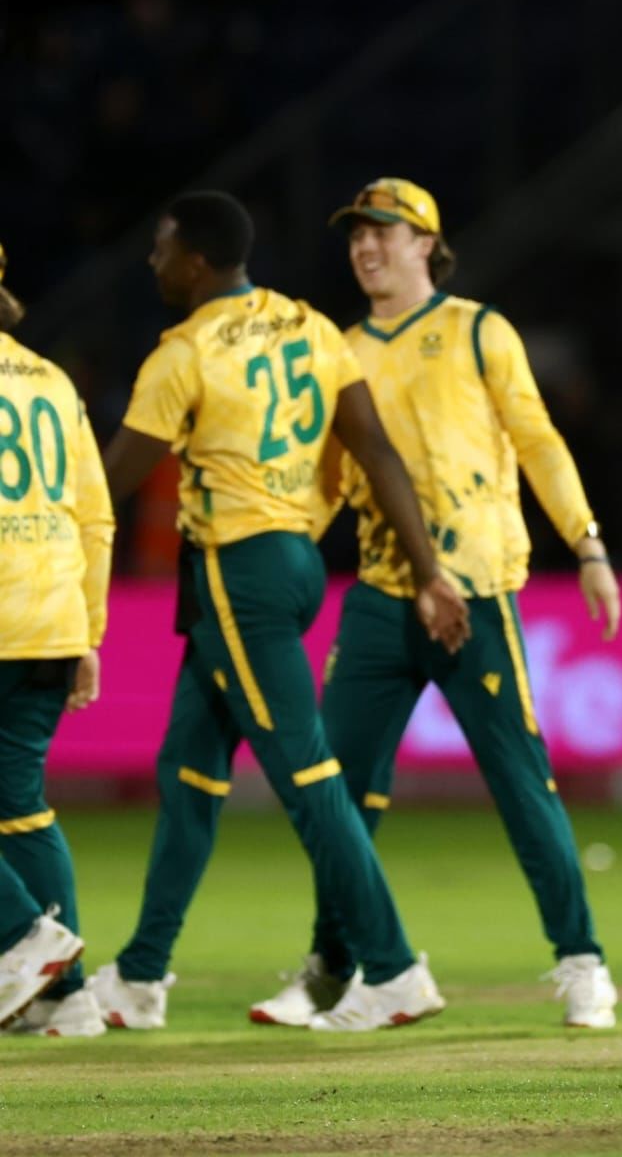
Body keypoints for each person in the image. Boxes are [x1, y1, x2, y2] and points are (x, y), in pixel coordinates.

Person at [86, 191, 470, 1032]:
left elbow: (103, 486)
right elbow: (376, 452)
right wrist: (430, 571)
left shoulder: (181, 353)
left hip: (239, 568)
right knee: (188, 771)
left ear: (196, 260)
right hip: (296, 564)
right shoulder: (311, 327)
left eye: (161, 249)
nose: (154, 263)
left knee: (306, 775)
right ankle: (141, 976)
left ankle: (395, 968)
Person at [251, 177, 622, 1032]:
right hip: (382, 597)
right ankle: (332, 970)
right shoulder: (338, 350)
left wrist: (589, 545)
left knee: (521, 785)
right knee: (336, 790)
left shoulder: (477, 330)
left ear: (427, 242)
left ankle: (582, 963)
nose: (366, 246)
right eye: (356, 235)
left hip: (478, 591)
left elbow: (537, 440)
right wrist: (271, 548)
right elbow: (330, 484)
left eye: (383, 230)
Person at [0, 246, 114, 1035]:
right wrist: (89, 629)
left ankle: (23, 938)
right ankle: (69, 997)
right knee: (21, 808)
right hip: (50, 618)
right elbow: (95, 516)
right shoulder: (50, 380)